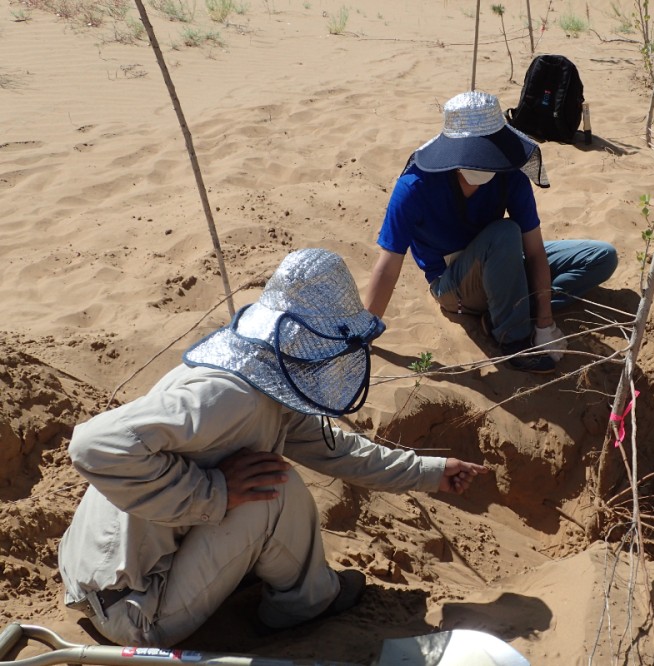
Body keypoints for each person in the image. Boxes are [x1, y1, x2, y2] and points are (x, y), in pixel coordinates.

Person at [58, 248, 488, 647]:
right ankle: (308, 602)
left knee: (257, 481)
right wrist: (214, 493)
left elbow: (336, 450)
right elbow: (94, 445)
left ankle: (256, 575)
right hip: (136, 610)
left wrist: (430, 471)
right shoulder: (229, 397)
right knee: (273, 486)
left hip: (95, 578)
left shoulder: (262, 383)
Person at [364, 90, 618, 374]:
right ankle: (514, 338)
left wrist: (545, 324)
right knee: (506, 232)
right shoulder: (415, 187)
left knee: (601, 257)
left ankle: (506, 314)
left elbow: (534, 251)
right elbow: (388, 264)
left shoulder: (511, 176)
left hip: (504, 259)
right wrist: (365, 334)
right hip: (453, 284)